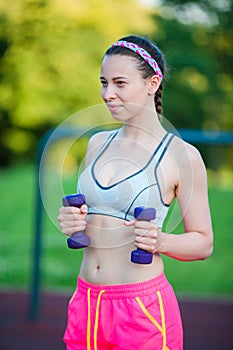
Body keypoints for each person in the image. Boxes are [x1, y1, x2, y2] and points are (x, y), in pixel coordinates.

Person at [58, 35, 213, 350]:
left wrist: (162, 240)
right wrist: (74, 223)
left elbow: (203, 242)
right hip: (86, 301)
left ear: (152, 83)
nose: (107, 94)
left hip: (140, 311)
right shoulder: (96, 144)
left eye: (119, 83)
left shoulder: (182, 156)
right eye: (103, 83)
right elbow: (96, 219)